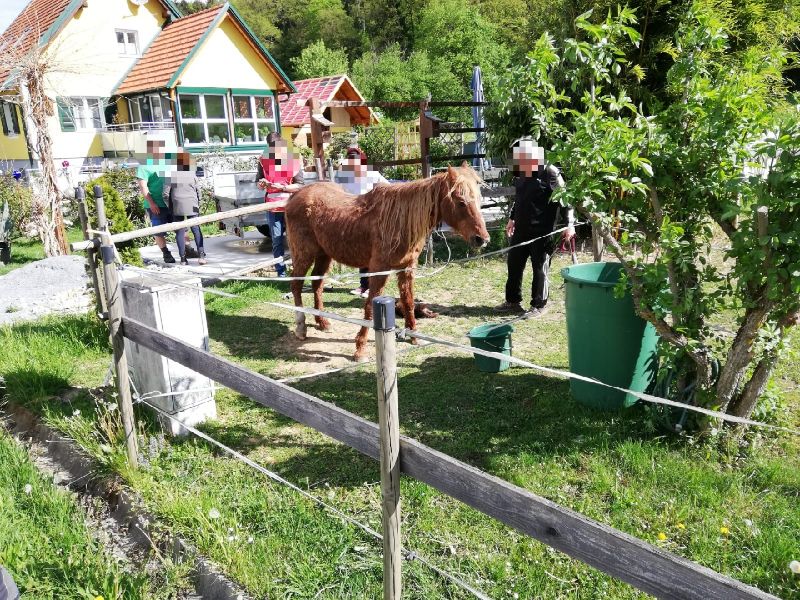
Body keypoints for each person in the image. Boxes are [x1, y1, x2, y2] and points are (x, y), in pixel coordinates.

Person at [498, 138, 575, 316]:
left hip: (542, 232)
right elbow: (519, 198)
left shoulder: (550, 172)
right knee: (514, 264)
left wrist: (570, 225)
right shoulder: (521, 172)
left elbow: (566, 200)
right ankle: (512, 301)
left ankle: (539, 305)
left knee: (540, 269)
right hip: (521, 230)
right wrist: (512, 218)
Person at [333, 145, 388, 297]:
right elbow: (335, 191)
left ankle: (372, 286)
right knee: (361, 251)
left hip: (371, 218)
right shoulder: (343, 176)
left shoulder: (372, 174)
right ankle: (363, 285)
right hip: (353, 218)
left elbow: (388, 188)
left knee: (371, 252)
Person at [257, 132, 304, 277]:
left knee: (294, 240)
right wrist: (262, 183)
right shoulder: (263, 160)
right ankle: (281, 274)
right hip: (272, 207)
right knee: (277, 241)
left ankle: (297, 272)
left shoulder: (292, 160)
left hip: (290, 207)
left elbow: (300, 185)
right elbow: (258, 181)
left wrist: (283, 187)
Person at [163, 150, 206, 266]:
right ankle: (201, 256)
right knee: (196, 229)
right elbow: (198, 192)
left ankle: (183, 259)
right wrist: (199, 204)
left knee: (180, 232)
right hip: (193, 204)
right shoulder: (192, 174)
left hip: (177, 205)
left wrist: (170, 207)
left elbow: (165, 194)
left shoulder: (170, 175)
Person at [137, 139, 174, 263]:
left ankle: (187, 249)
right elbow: (143, 187)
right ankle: (166, 253)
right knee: (159, 231)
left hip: (171, 202)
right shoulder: (144, 166)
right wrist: (151, 203)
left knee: (181, 228)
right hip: (156, 204)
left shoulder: (167, 162)